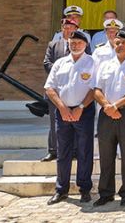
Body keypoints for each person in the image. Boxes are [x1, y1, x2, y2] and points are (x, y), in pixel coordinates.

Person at [93, 31, 125, 207]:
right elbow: (96, 90)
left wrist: (115, 106)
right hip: (106, 115)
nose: (120, 45)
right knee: (106, 155)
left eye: (123, 42)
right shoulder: (105, 65)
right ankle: (106, 193)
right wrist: (108, 106)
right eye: (117, 43)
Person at [44, 31, 96, 205]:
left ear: (85, 45)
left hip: (84, 112)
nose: (75, 45)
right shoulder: (60, 63)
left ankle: (85, 189)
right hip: (63, 112)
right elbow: (50, 88)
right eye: (72, 42)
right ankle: (61, 189)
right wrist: (62, 107)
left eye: (79, 43)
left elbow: (94, 89)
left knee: (84, 151)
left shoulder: (92, 63)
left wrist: (80, 108)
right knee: (63, 152)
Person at [42, 18, 86, 162]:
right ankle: (53, 150)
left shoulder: (82, 45)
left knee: (74, 122)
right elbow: (47, 62)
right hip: (56, 90)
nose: (68, 30)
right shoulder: (53, 45)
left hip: (75, 92)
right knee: (54, 122)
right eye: (65, 27)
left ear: (76, 29)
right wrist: (60, 70)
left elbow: (87, 62)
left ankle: (73, 150)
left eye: (71, 28)